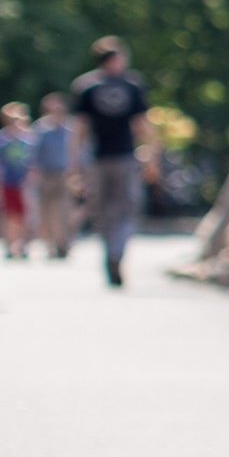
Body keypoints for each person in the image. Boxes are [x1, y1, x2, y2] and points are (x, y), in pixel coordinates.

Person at [70, 36, 154, 288]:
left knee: (103, 211)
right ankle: (116, 252)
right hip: (123, 157)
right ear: (117, 58)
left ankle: (111, 252)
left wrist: (74, 164)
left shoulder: (85, 85)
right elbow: (142, 126)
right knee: (126, 209)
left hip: (98, 159)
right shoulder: (132, 84)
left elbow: (79, 130)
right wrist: (152, 156)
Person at [29, 93, 75, 259]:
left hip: (65, 174)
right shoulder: (41, 128)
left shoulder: (70, 128)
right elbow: (33, 153)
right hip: (46, 174)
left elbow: (78, 151)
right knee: (46, 211)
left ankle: (63, 243)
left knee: (64, 210)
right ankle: (49, 244)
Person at [0, 103, 32, 258]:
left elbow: (34, 161)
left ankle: (22, 244)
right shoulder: (3, 139)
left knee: (24, 215)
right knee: (9, 214)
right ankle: (10, 244)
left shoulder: (28, 140)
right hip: (8, 182)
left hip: (24, 183)